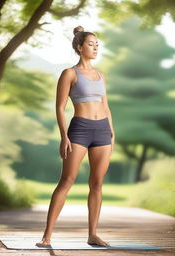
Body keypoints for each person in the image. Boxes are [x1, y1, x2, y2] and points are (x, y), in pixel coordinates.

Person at [35, 25, 115, 247]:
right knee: (66, 181)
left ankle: (93, 234)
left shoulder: (100, 75)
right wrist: (64, 136)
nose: (95, 47)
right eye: (91, 44)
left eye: (97, 44)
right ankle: (47, 236)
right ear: (80, 47)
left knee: (97, 183)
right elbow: (60, 107)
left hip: (102, 131)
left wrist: (112, 131)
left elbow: (105, 106)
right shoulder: (70, 73)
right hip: (79, 129)